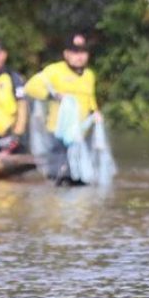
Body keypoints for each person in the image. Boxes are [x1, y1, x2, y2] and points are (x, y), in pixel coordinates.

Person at [24, 33, 101, 184]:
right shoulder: (54, 71)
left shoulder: (89, 75)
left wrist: (95, 112)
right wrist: (53, 95)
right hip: (57, 132)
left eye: (83, 52)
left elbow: (90, 98)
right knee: (59, 176)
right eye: (75, 52)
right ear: (66, 54)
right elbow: (30, 87)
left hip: (79, 134)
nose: (79, 56)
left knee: (79, 177)